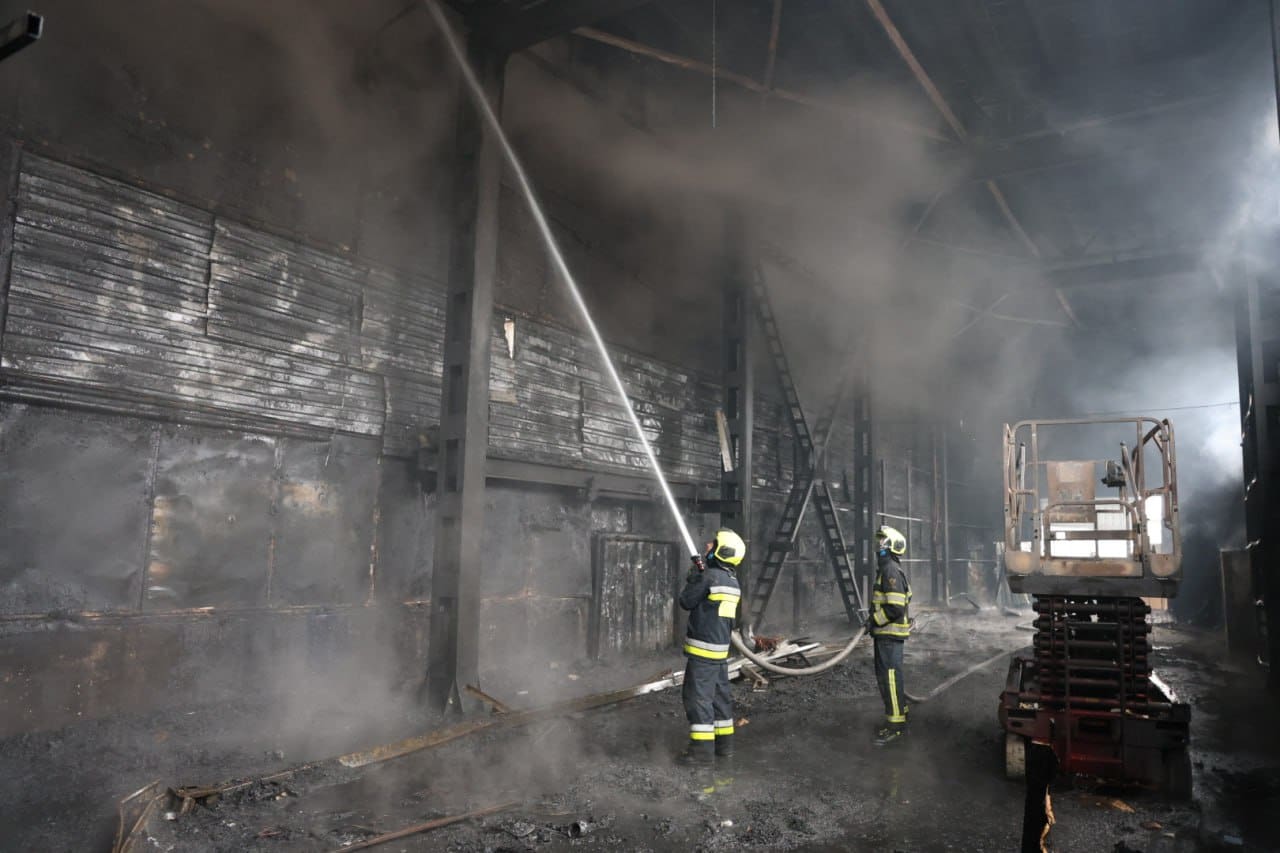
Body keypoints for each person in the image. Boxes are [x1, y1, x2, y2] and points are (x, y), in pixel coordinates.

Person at [677, 528, 744, 764]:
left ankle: (701, 754)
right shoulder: (732, 581)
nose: (707, 545)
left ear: (722, 551)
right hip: (719, 653)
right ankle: (724, 748)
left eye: (713, 543)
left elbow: (686, 601)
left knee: (698, 699)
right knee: (719, 700)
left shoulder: (709, 576)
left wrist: (695, 576)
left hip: (703, 652)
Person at [870, 525, 912, 746]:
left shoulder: (890, 570)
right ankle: (901, 711)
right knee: (890, 677)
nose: (878, 546)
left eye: (882, 542)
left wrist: (874, 620)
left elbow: (895, 608)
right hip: (886, 635)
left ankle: (896, 726)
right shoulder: (889, 569)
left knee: (890, 679)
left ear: (892, 546)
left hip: (889, 635)